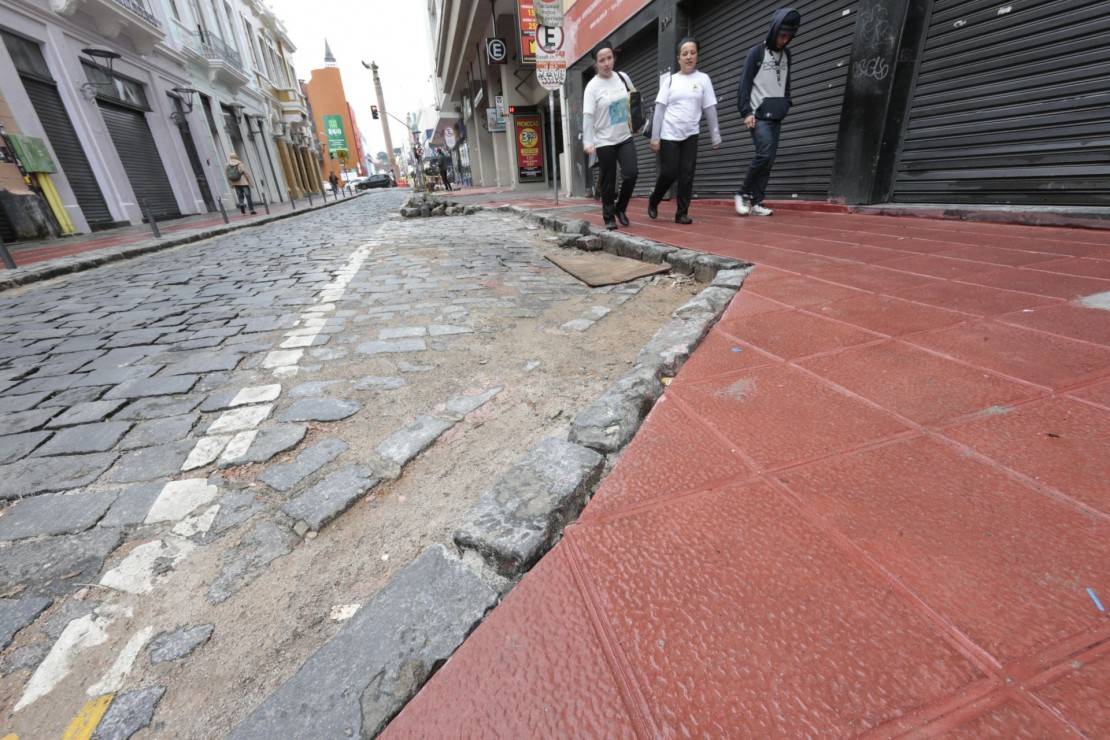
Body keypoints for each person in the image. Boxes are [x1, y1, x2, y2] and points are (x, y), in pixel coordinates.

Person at [735, 7, 801, 217]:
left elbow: (786, 82)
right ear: (774, 31)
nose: (784, 40)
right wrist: (746, 112)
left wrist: (787, 101)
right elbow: (744, 85)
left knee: (769, 159)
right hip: (758, 115)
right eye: (782, 35)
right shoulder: (757, 52)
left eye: (789, 36)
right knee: (764, 154)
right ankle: (741, 193)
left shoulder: (787, 54)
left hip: (776, 115)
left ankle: (757, 201)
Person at [648, 37, 721, 225]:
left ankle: (681, 213)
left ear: (697, 55)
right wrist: (655, 138)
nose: (689, 57)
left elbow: (710, 109)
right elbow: (659, 110)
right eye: (685, 53)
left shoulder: (703, 79)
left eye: (692, 52)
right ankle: (654, 199)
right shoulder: (670, 81)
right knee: (669, 173)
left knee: (687, 174)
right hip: (669, 134)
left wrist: (715, 135)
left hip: (691, 134)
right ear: (678, 58)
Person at [583, 40, 639, 230]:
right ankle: (608, 216)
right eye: (602, 60)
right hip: (604, 140)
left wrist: (638, 122)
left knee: (631, 174)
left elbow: (634, 98)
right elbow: (588, 115)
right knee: (609, 180)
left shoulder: (622, 77)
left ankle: (620, 208)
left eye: (609, 58)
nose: (607, 63)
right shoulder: (592, 87)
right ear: (596, 63)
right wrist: (588, 141)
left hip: (624, 136)